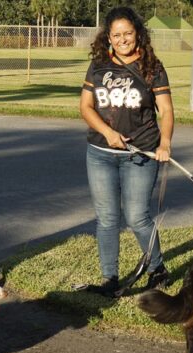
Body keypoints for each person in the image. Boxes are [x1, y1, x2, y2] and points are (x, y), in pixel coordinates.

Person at [79, 6, 174, 297]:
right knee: (107, 218)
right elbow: (85, 107)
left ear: (138, 34)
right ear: (108, 37)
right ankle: (110, 278)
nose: (122, 39)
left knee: (136, 217)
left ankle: (157, 269)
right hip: (100, 153)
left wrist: (165, 143)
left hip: (140, 154)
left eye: (128, 33)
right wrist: (108, 133)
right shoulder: (97, 66)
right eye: (116, 35)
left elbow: (167, 111)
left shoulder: (152, 67)